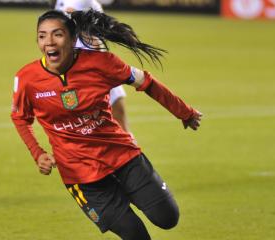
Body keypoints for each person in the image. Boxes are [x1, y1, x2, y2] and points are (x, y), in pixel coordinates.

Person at [11, 10, 202, 240]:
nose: (49, 42)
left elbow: (146, 82)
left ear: (73, 39)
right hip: (80, 174)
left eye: (57, 35)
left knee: (168, 217)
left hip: (121, 155)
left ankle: (128, 189)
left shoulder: (102, 63)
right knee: (134, 234)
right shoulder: (27, 79)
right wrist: (37, 153)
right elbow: (20, 117)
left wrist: (184, 112)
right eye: (42, 36)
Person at [53, 0, 131, 134]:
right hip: (81, 67)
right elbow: (67, 17)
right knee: (95, 121)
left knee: (117, 114)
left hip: (96, 64)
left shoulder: (88, 2)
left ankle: (130, 147)